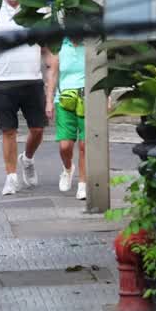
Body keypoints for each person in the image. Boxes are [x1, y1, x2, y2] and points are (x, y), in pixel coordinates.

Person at [0, 0, 58, 196]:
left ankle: (27, 158)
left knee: (38, 129)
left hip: (32, 80)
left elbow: (47, 49)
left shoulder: (36, 13)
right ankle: (11, 177)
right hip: (2, 80)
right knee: (8, 131)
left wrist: (52, 73)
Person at [49, 37, 87, 200]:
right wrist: (48, 102)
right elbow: (53, 74)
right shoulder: (59, 46)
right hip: (64, 99)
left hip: (87, 99)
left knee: (85, 145)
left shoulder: (91, 45)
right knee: (65, 146)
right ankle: (68, 168)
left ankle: (83, 184)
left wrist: (105, 96)